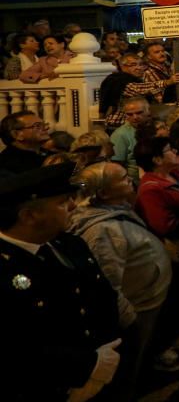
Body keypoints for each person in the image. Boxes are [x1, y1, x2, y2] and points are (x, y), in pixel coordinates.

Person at [0, 163, 124, 401]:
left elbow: (102, 297)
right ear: (29, 215)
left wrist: (106, 355)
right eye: (62, 202)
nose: (73, 206)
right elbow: (14, 348)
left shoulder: (69, 244)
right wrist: (88, 366)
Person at [68, 161, 174, 399]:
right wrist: (130, 322)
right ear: (104, 193)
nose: (132, 181)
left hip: (146, 299)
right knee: (126, 371)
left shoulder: (116, 208)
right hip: (135, 310)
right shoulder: (101, 231)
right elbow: (108, 283)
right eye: (124, 179)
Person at [99, 53, 179, 131]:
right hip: (118, 126)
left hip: (133, 125)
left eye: (140, 64)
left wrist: (174, 105)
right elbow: (139, 89)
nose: (138, 68)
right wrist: (168, 82)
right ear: (122, 66)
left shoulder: (136, 80)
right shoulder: (119, 80)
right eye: (133, 65)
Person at [110, 97, 151, 184]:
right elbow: (116, 165)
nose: (135, 117)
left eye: (139, 112)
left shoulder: (156, 127)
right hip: (136, 182)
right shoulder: (120, 135)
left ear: (148, 111)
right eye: (130, 114)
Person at [0, 110, 51, 175]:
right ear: (17, 135)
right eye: (37, 126)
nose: (46, 128)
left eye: (44, 125)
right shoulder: (6, 165)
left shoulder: (49, 154)